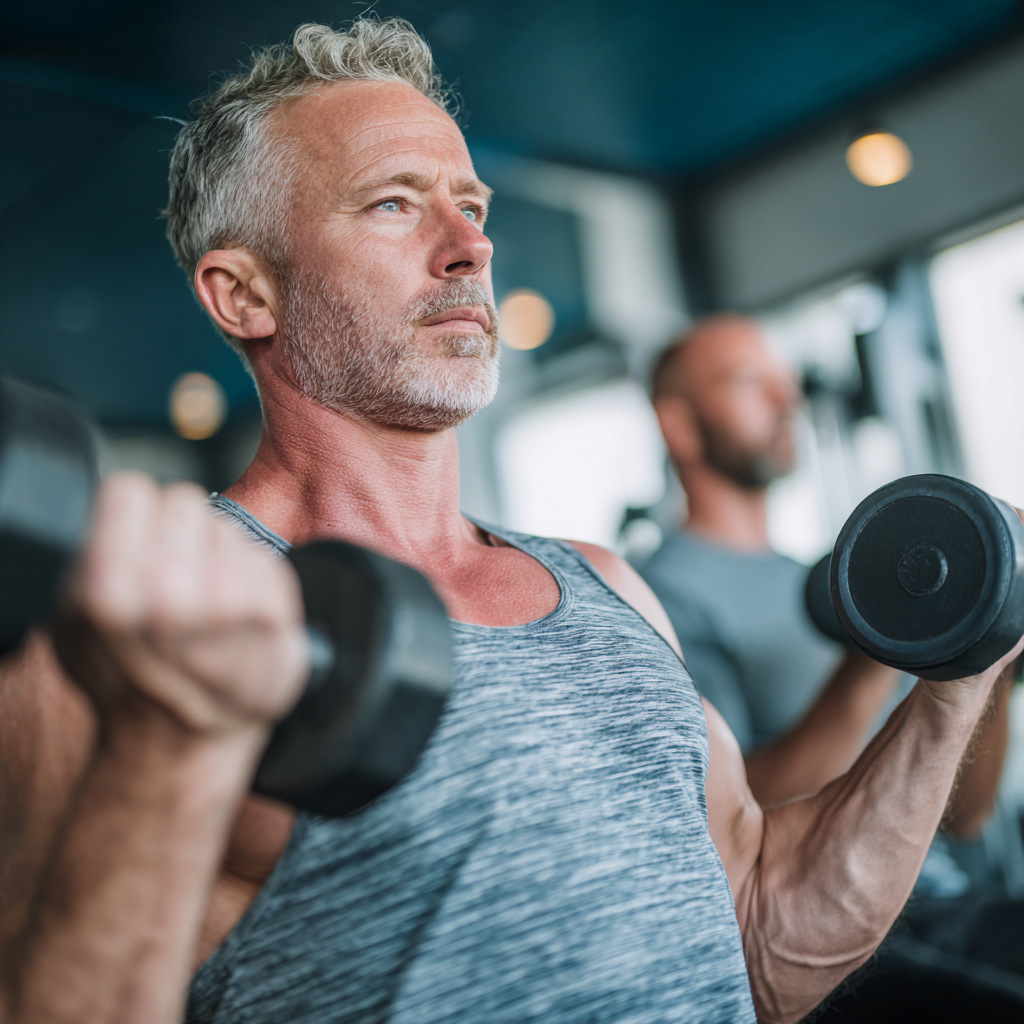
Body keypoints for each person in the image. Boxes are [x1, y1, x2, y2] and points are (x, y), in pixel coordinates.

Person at [0, 19, 1020, 1024]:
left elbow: (763, 934)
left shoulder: (605, 586)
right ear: (242, 293)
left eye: (472, 204)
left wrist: (959, 671)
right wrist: (164, 751)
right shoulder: (129, 623)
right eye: (394, 203)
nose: (470, 246)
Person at [641, 315, 1023, 1016]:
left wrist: (992, 645)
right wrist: (881, 647)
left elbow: (965, 814)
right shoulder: (658, 596)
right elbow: (731, 822)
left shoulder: (838, 581)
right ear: (680, 424)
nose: (788, 402)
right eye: (750, 383)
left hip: (949, 898)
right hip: (842, 937)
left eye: (786, 385)